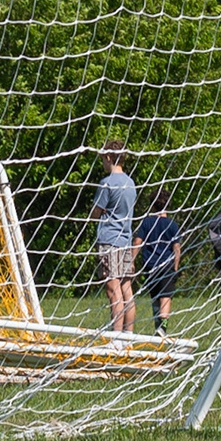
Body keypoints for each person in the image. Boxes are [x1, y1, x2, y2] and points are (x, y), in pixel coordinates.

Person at [93, 138, 137, 333]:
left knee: (113, 289)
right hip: (125, 240)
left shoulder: (107, 183)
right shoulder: (131, 183)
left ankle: (117, 336)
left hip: (109, 240)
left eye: (103, 158)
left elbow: (96, 212)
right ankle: (129, 335)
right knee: (127, 289)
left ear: (109, 157)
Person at [133, 189, 182, 335]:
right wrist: (176, 268)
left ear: (152, 206)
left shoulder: (147, 223)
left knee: (155, 297)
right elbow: (177, 249)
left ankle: (158, 327)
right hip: (167, 266)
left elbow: (137, 243)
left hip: (150, 265)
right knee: (165, 297)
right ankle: (163, 327)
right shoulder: (173, 225)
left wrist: (131, 261)